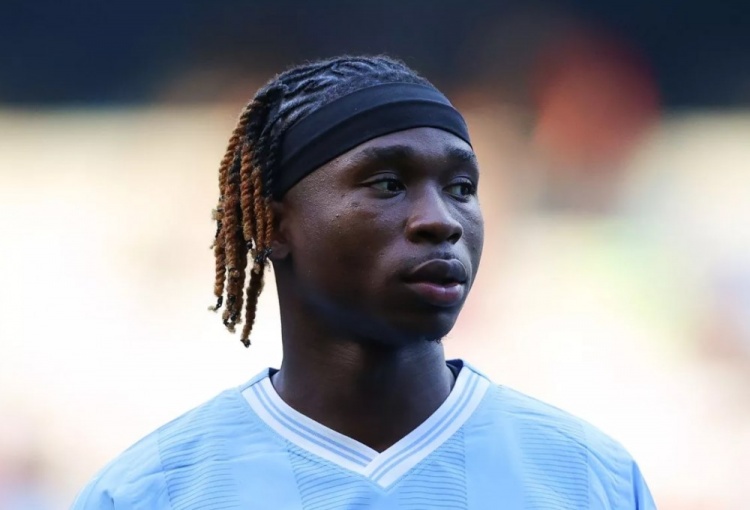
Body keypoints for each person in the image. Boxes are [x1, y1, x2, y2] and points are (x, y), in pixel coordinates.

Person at [72, 55, 656, 509]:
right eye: (388, 184)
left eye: (461, 188)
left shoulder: (589, 477)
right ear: (273, 225)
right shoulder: (151, 492)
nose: (441, 221)